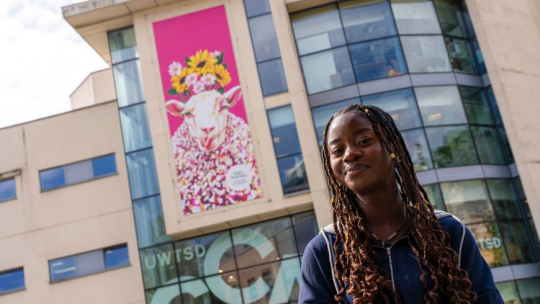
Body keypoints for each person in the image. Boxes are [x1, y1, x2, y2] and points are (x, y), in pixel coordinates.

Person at [299, 104, 504, 304]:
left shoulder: (447, 232)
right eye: (337, 150)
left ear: (392, 146)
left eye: (364, 140)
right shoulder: (324, 251)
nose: (350, 154)